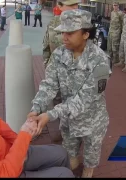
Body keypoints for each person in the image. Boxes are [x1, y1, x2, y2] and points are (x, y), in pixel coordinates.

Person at [28, 9, 111, 178]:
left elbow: (85, 99)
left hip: (92, 123)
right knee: (70, 158)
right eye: (63, 32)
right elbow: (49, 85)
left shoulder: (101, 60)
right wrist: (36, 109)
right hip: (68, 122)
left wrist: (49, 115)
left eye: (70, 33)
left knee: (89, 162)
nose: (64, 37)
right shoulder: (58, 55)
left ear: (86, 34)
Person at [42, 0, 79, 142]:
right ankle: (63, 131)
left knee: (74, 106)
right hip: (57, 76)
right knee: (58, 104)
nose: (75, 8)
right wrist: (48, 69)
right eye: (71, 5)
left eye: (76, 5)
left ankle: (75, 136)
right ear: (60, 7)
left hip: (74, 77)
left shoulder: (83, 25)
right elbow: (46, 48)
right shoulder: (53, 24)